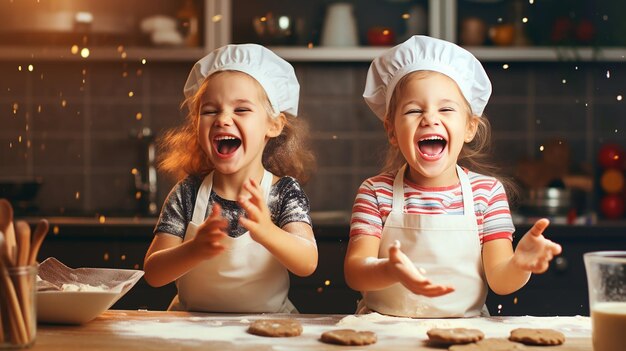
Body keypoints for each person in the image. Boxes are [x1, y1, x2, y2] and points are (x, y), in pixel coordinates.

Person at [344, 35, 562, 318]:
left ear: (470, 127)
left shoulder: (488, 193)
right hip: (384, 331)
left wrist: (520, 264)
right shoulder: (376, 192)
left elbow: (500, 279)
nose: (430, 119)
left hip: (468, 333)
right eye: (413, 110)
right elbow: (355, 272)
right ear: (391, 130)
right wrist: (389, 269)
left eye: (446, 109)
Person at [143, 44, 317, 313]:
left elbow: (307, 262)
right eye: (210, 111)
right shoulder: (187, 193)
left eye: (242, 110)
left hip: (267, 329)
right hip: (191, 331)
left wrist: (268, 231)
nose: (223, 119)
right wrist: (194, 250)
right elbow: (154, 273)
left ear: (274, 125)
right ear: (196, 124)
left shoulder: (283, 192)